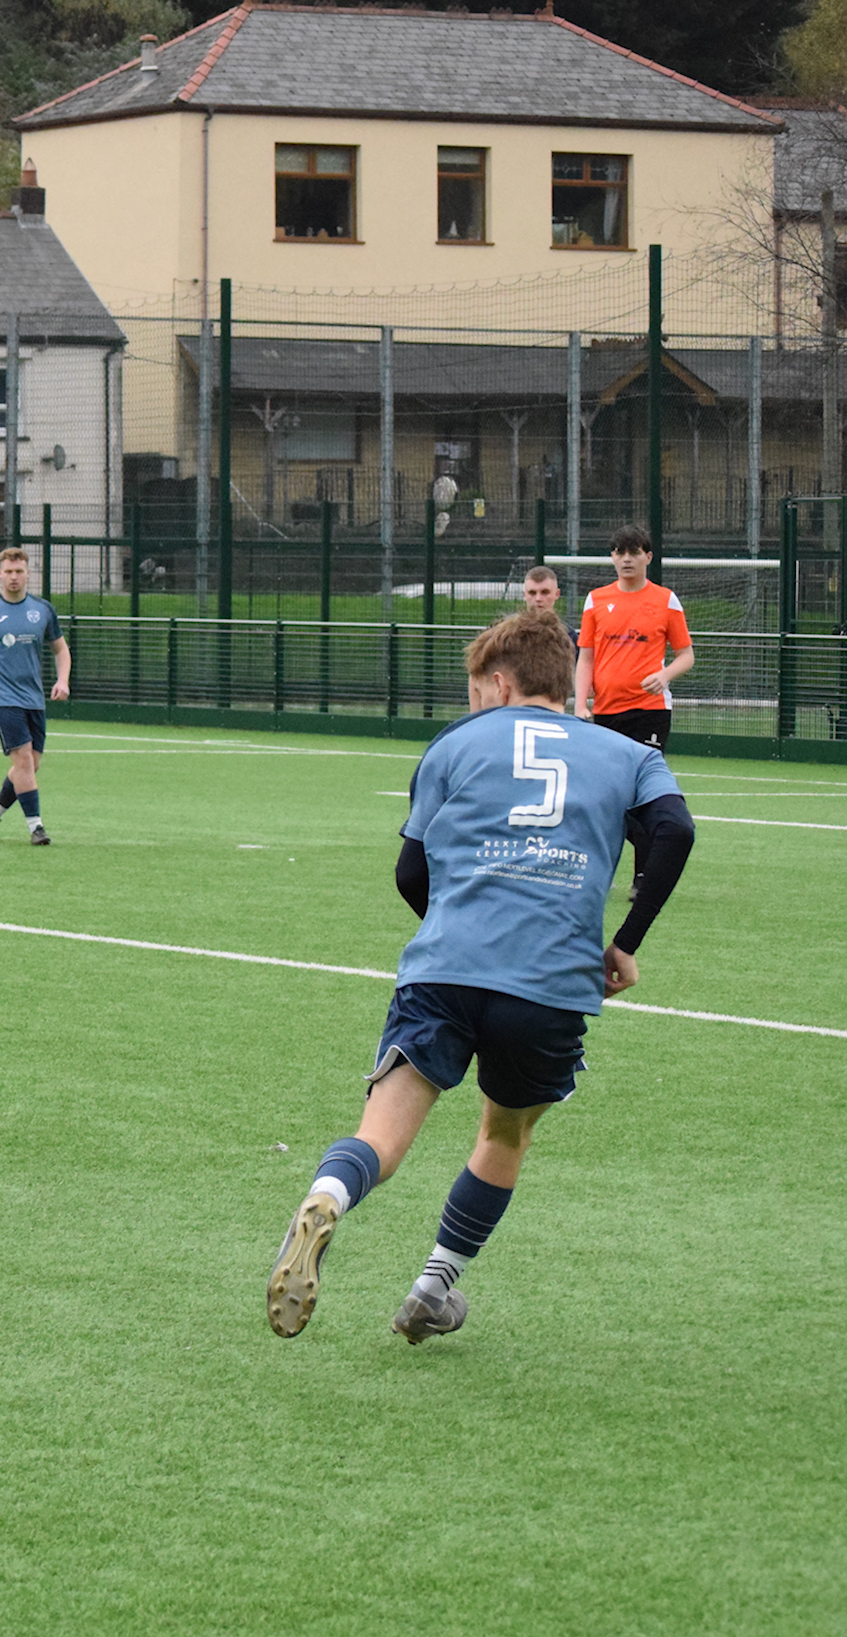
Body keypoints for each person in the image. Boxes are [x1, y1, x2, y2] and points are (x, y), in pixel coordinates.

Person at [267, 610, 694, 1344]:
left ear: (499, 684)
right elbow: (675, 831)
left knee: (381, 1138)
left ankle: (328, 1194)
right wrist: (624, 943)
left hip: (445, 969)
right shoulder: (626, 754)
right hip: (550, 980)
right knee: (504, 1132)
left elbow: (410, 871)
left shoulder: (455, 743)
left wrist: (456, 928)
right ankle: (432, 1290)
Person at [574, 524, 694, 893]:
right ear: (612, 558)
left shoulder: (665, 600)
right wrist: (580, 702)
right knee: (608, 796)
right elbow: (586, 658)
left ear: (648, 557)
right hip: (606, 712)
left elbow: (686, 655)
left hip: (650, 710)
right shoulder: (596, 600)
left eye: (634, 552)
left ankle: (642, 878)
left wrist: (665, 675)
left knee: (643, 792)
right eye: (620, 552)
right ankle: (606, 869)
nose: (627, 559)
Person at [0, 547, 71, 846]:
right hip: (3, 698)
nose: (13, 577)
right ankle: (36, 827)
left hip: (34, 698)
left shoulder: (43, 610)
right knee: (22, 761)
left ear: (28, 574)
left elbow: (61, 649)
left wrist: (62, 680)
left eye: (19, 571)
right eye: (8, 571)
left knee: (30, 765)